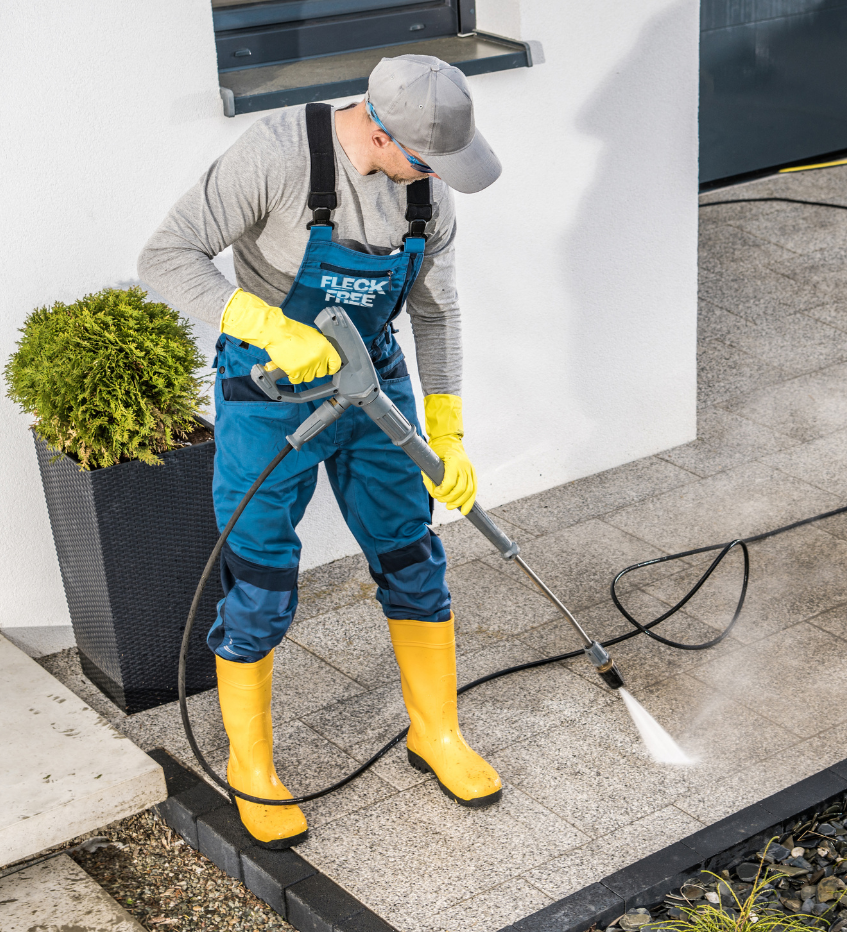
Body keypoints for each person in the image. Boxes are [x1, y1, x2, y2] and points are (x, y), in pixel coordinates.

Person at [138, 54, 502, 849]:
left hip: (375, 386)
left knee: (411, 557)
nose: (435, 180)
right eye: (425, 161)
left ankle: (434, 734)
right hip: (269, 394)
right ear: (377, 130)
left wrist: (446, 424)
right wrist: (266, 325)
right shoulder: (273, 156)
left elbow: (436, 313)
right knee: (261, 582)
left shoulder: (427, 195)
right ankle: (252, 767)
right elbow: (163, 257)